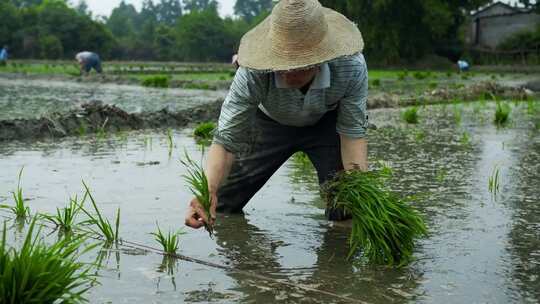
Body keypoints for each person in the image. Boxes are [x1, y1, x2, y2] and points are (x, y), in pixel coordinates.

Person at [185, 0, 369, 230]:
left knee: (346, 206)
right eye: (283, 62)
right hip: (269, 123)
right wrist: (208, 191)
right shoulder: (253, 72)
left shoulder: (350, 66)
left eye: (301, 63)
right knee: (223, 201)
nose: (289, 72)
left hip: (326, 124)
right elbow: (225, 140)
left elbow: (352, 133)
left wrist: (360, 191)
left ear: (323, 55)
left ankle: (339, 255)